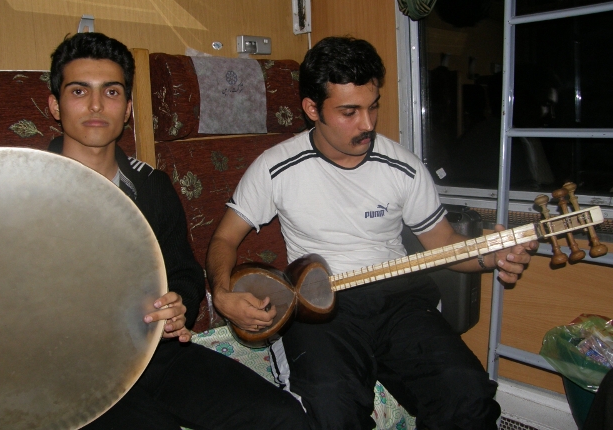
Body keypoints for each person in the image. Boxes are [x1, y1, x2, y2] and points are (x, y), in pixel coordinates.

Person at [205, 36, 539, 430]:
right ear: (312, 109)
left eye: (373, 106)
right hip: (320, 306)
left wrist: (492, 256)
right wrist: (222, 294)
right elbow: (224, 239)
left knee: (468, 392)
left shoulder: (403, 167)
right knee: (333, 408)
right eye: (349, 111)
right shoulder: (276, 167)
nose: (367, 124)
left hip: (399, 299)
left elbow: (445, 245)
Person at [47, 32, 311, 430]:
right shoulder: (19, 189)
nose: (97, 105)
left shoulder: (153, 187)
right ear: (55, 105)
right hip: (62, 369)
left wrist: (178, 304)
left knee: (282, 418)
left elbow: (183, 271)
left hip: (153, 352)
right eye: (80, 91)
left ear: (128, 109)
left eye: (112, 92)